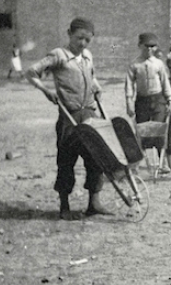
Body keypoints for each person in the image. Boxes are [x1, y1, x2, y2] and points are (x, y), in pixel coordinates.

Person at [25, 17, 111, 219]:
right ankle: (64, 207)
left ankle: (94, 203)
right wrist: (46, 91)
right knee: (66, 159)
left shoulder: (88, 56)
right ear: (69, 34)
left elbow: (91, 76)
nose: (83, 44)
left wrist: (96, 88)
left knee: (95, 158)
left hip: (90, 113)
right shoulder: (59, 55)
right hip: (69, 117)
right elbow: (31, 72)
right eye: (79, 38)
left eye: (87, 40)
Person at [125, 32, 171, 173]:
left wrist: (169, 100)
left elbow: (166, 83)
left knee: (159, 129)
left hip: (158, 100)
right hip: (142, 101)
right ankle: (137, 164)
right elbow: (129, 85)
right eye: (146, 46)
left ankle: (162, 162)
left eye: (152, 46)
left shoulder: (159, 64)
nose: (149, 49)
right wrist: (129, 103)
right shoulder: (135, 64)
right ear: (140, 46)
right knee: (141, 131)